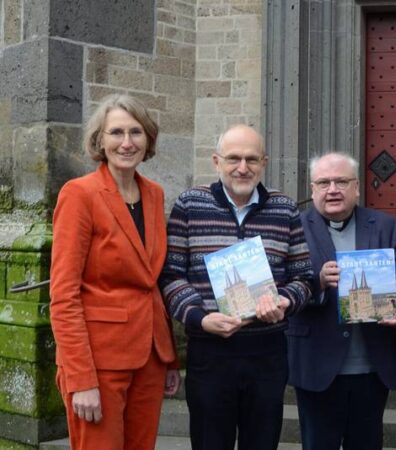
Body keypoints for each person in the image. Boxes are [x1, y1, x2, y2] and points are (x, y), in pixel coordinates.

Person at [159, 125, 313, 450]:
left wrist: (284, 302)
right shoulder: (190, 205)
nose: (243, 167)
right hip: (210, 352)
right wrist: (200, 318)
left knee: (262, 443)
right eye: (233, 158)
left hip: (267, 352)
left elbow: (305, 278)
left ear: (264, 162)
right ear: (216, 161)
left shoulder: (284, 208)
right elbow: (171, 275)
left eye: (251, 159)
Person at [49, 94, 180, 450]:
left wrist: (168, 358)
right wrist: (80, 378)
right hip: (99, 363)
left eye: (136, 132)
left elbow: (151, 283)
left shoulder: (153, 194)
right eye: (116, 132)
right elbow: (63, 295)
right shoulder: (80, 194)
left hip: (149, 358)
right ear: (100, 140)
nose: (127, 142)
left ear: (148, 139)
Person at [287, 152, 396, 450]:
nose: (333, 189)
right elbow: (281, 284)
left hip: (373, 364)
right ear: (312, 189)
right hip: (316, 362)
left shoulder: (384, 224)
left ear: (356, 187)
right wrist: (316, 283)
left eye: (341, 181)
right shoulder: (294, 227)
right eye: (324, 182)